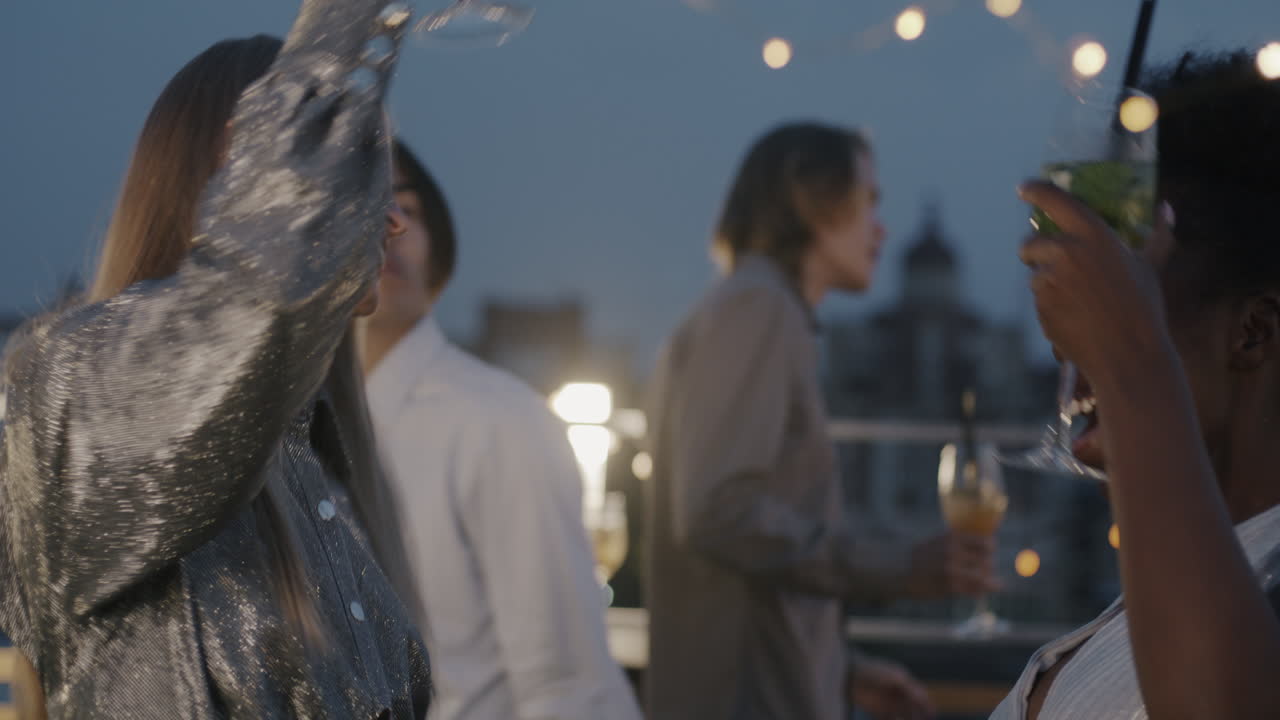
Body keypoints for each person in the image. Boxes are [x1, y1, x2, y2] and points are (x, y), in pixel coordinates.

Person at [0, 3, 432, 717]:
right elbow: (257, 296)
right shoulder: (69, 389)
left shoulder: (322, 457)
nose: (392, 219)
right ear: (245, 171)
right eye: (362, 174)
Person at [645, 122, 998, 720]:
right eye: (867, 202)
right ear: (812, 201)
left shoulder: (759, 309)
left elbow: (754, 567)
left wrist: (844, 674)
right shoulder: (758, 308)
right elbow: (720, 512)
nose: (879, 228)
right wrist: (902, 565)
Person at [991, 50, 1280, 719]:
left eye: (1129, 278)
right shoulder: (1180, 579)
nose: (1068, 325)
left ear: (1255, 331)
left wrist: (1131, 359)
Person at [359, 139, 643, 720]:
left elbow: (569, 687)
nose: (385, 225)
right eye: (352, 200)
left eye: (405, 208)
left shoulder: (498, 422)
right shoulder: (284, 432)